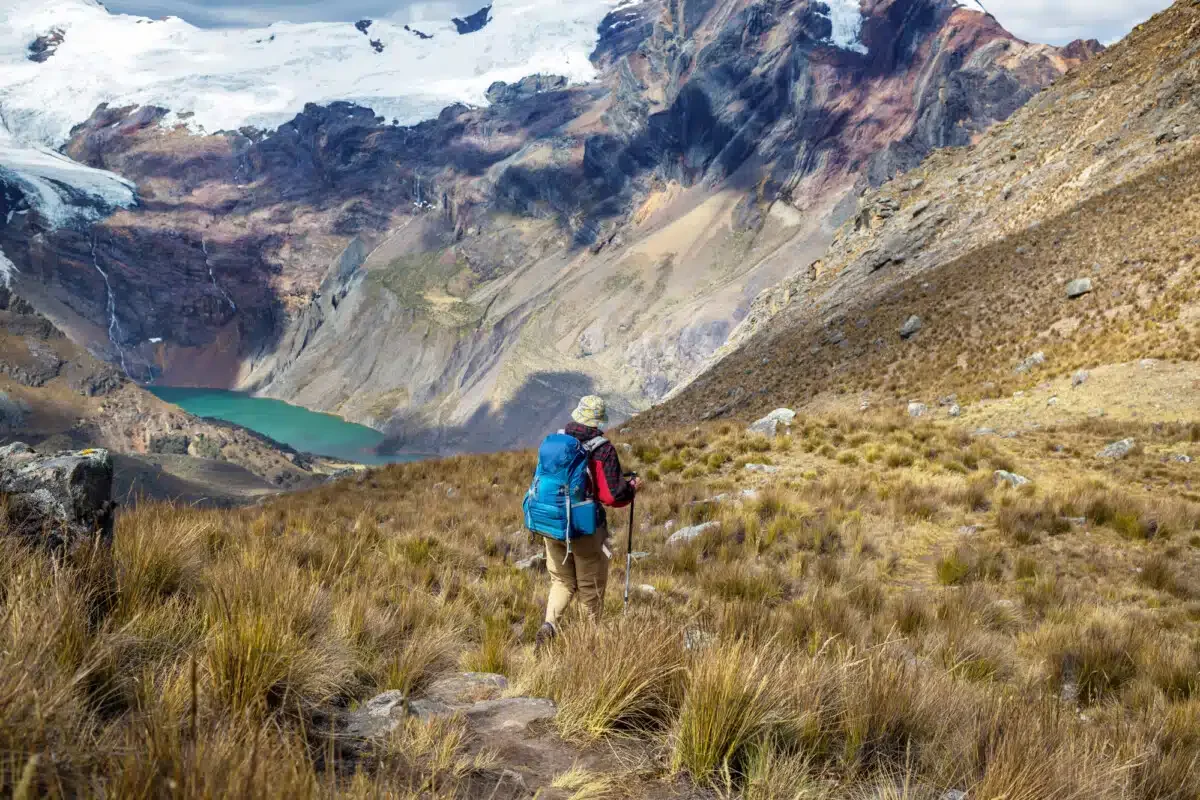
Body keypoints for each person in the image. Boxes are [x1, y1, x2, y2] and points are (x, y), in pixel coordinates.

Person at [536, 395, 641, 647]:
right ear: (598, 421)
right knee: (589, 589)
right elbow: (612, 496)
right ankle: (587, 647)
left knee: (562, 581)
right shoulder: (602, 448)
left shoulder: (558, 440)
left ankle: (548, 625)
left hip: (552, 524)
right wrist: (633, 488)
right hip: (584, 529)